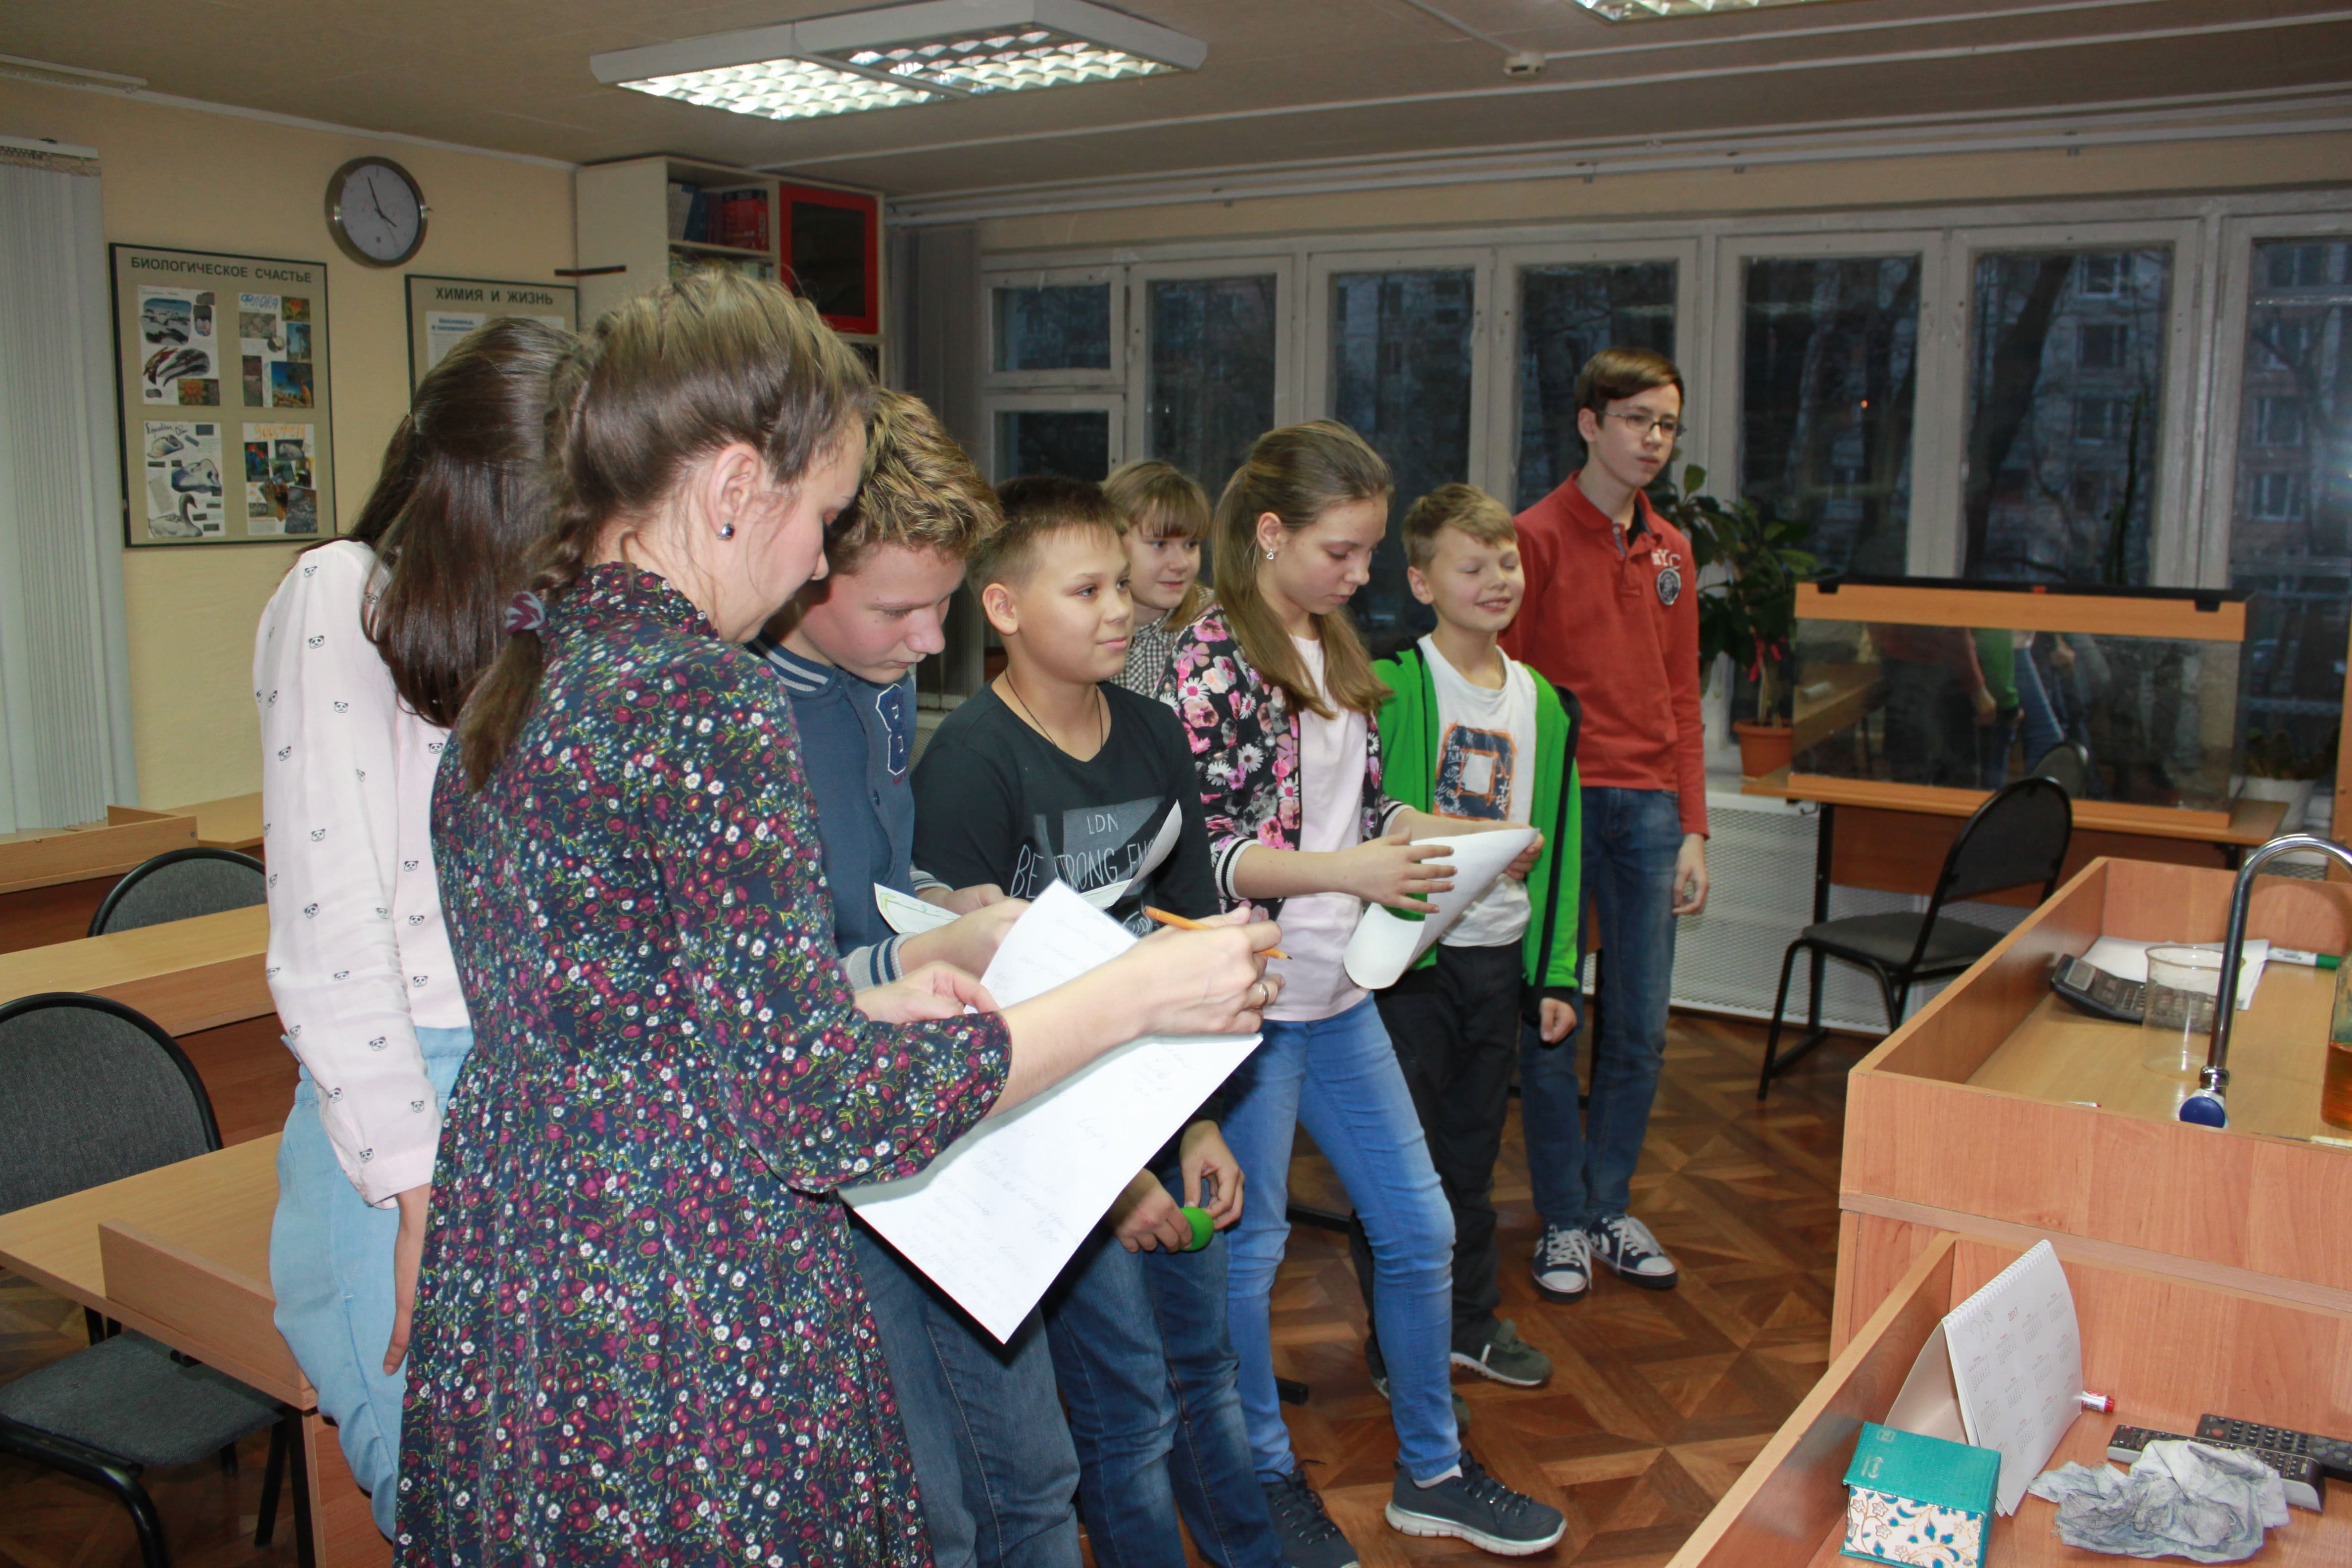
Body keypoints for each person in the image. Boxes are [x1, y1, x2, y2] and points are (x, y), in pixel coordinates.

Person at [401, 271, 1280, 1567]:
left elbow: (641, 1015)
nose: (819, 559)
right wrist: (1133, 997)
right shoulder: (703, 697)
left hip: (532, 1264)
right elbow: (820, 1114)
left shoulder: (532, 666)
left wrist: (856, 998)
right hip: (682, 1292)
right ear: (732, 488)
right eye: (820, 517)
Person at [1166, 422, 1567, 1566]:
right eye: (1338, 552)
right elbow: (1215, 855)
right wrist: (1353, 870)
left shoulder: (1332, 642)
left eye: (1368, 553)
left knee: (1421, 1226)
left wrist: (1461, 839)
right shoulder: (1210, 661)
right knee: (1248, 1257)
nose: (1358, 574)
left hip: (1340, 995)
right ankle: (1261, 1480)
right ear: (1269, 534)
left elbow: (1368, 808)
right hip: (1252, 1004)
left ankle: (1432, 1473)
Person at [911, 475, 1277, 1568]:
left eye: (1122, 583)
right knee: (1129, 1408)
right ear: (1005, 609)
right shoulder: (969, 762)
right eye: (1087, 590)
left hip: (1159, 1099)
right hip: (1048, 1135)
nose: (1122, 608)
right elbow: (976, 1015)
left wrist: (1201, 1123)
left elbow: (1194, 926)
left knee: (1202, 1366)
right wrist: (1114, 1182)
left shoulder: (1156, 731)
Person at [747, 390, 1079, 1568]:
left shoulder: (882, 673)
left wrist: (947, 907)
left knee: (1036, 1474)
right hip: (831, 1151)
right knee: (925, 1510)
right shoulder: (733, 714)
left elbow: (876, 873)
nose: (934, 642)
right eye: (899, 608)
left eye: (945, 602)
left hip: (934, 1125)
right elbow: (763, 993)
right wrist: (923, 953)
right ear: (802, 565)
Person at [255, 316, 574, 1540]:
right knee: (455, 1507)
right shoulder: (341, 595)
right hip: (403, 1117)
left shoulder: (527, 627)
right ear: (480, 497)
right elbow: (333, 941)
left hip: (525, 1080)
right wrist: (418, 1194)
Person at [1350, 483, 1582, 1402]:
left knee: (1473, 1160)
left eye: (1507, 562)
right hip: (1412, 965)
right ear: (1421, 582)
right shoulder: (1393, 685)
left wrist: (1554, 972)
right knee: (1399, 1167)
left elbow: (1559, 844)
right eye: (1471, 565)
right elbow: (1373, 815)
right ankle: (1393, 1341)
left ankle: (1470, 1323)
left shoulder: (1544, 705)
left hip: (1495, 960)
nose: (1496, 580)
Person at [1501, 347, 1706, 1307]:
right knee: (1553, 1018)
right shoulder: (1532, 537)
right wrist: (1515, 824)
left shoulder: (1671, 550)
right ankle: (1561, 1219)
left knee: (1642, 1024)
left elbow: (1683, 694)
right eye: (1635, 420)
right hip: (1562, 805)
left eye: (1665, 425)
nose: (1652, 440)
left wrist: (1695, 826)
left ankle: (1606, 1206)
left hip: (1652, 809)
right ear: (1590, 423)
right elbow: (1506, 691)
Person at [1105, 459, 1215, 697]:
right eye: (1160, 544)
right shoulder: (1083, 630)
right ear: (1113, 540)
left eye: (1191, 544)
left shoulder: (1218, 624)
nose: (1181, 564)